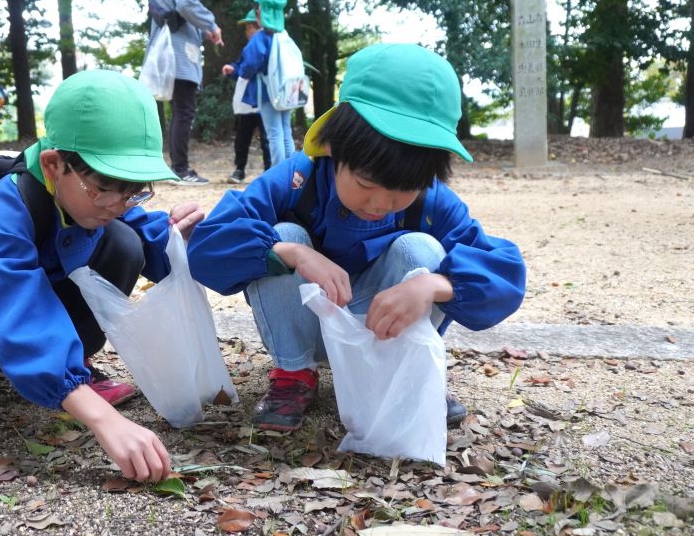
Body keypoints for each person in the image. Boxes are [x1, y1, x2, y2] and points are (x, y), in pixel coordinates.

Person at [0, 70, 204, 482]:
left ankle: (73, 367)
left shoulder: (98, 196)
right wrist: (103, 420)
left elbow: (153, 239)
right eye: (107, 187)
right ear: (53, 164)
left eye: (135, 189)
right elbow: (17, 306)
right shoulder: (1, 211)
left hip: (35, 326)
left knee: (122, 239)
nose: (120, 202)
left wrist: (190, 237)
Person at [187, 44, 526, 433]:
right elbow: (209, 245)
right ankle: (294, 374)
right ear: (333, 147)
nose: (380, 204)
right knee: (282, 235)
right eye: (365, 183)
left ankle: (403, 372)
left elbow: (505, 275)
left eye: (403, 190)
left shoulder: (431, 201)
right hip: (309, 326)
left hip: (380, 331)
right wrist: (292, 252)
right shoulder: (299, 178)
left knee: (424, 251)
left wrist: (432, 285)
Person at [146, 0, 224, 185]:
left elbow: (179, 10)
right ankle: (181, 170)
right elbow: (187, 3)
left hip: (172, 53)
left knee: (179, 111)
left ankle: (177, 167)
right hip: (180, 55)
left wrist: (204, 30)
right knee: (184, 111)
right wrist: (212, 24)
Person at [228, 0, 297, 168]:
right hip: (287, 90)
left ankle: (278, 173)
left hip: (268, 91)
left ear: (262, 12)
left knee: (274, 133)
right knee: (286, 131)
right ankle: (291, 170)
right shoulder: (284, 36)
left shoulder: (261, 37)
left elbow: (249, 64)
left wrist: (240, 73)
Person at [221, 9, 271, 183]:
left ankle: (267, 171)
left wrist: (238, 70)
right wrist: (233, 70)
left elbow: (247, 67)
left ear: (253, 26)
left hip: (262, 98)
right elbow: (242, 67)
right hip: (250, 99)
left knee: (266, 137)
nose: (246, 32)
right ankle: (242, 169)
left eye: (247, 28)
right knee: (246, 136)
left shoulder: (261, 41)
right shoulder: (255, 45)